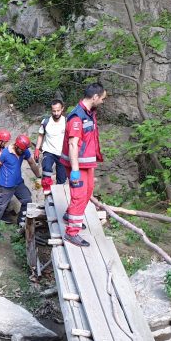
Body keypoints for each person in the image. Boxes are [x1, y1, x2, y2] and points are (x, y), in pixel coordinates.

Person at [60, 83, 107, 247]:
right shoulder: (77, 117)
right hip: (77, 165)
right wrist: (74, 171)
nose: (102, 102)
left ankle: (69, 215)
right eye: (102, 98)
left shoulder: (90, 113)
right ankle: (71, 233)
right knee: (79, 196)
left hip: (86, 164)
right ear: (94, 97)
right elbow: (73, 145)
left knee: (87, 193)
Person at [0, 135, 41, 226]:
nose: (23, 152)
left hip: (18, 183)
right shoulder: (5, 153)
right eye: (21, 150)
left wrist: (38, 176)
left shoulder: (24, 150)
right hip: (5, 185)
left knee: (27, 200)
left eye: (24, 150)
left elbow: (31, 162)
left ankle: (21, 223)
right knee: (0, 208)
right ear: (16, 146)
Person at [35, 100, 68, 195]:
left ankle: (59, 195)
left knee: (62, 178)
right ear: (51, 110)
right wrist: (37, 149)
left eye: (58, 110)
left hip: (62, 153)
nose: (56, 113)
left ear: (62, 109)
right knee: (46, 169)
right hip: (48, 151)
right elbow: (41, 135)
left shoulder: (66, 122)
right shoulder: (45, 122)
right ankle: (47, 191)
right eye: (54, 111)